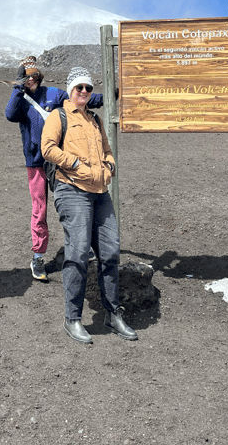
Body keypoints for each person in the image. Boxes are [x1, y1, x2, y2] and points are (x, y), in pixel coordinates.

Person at [41, 66, 137, 343]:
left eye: (88, 88)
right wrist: (73, 163)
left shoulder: (95, 119)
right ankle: (72, 319)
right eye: (79, 87)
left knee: (109, 252)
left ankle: (112, 314)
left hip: (100, 191)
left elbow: (107, 149)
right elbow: (47, 147)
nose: (83, 92)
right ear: (70, 90)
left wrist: (110, 165)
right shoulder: (58, 116)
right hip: (72, 189)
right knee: (78, 252)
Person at [5, 56, 103, 282]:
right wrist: (18, 87)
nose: (33, 80)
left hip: (60, 160)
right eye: (27, 77)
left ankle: (81, 246)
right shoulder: (20, 100)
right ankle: (38, 256)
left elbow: (80, 98)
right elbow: (10, 114)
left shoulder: (53, 94)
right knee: (39, 209)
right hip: (36, 163)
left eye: (35, 76)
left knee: (71, 203)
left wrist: (108, 96)